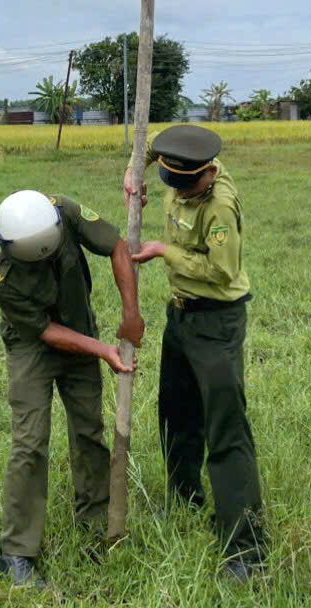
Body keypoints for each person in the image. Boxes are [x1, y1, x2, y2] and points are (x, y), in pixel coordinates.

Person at [124, 124, 266, 582]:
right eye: (171, 184)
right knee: (176, 414)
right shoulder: (176, 167)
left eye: (186, 187)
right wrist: (134, 170)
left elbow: (222, 273)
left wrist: (165, 251)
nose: (179, 194)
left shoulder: (220, 205)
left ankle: (245, 548)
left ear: (206, 173)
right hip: (179, 317)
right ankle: (184, 499)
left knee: (225, 429)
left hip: (216, 321)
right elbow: (148, 149)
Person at [0, 189, 144, 588]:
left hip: (79, 328)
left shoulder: (64, 212)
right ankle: (16, 554)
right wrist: (102, 350)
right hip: (31, 346)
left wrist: (130, 315)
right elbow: (44, 331)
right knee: (30, 441)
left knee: (89, 429)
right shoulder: (2, 282)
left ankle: (95, 523)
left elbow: (117, 247)